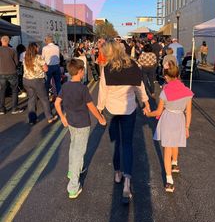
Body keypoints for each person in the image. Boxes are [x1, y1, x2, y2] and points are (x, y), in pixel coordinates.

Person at [97, 41, 150, 204]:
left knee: (117, 142)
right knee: (127, 143)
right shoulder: (133, 66)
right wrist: (145, 102)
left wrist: (100, 109)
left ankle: (118, 172)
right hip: (129, 109)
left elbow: (103, 90)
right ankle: (127, 181)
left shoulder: (107, 68)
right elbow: (139, 87)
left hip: (112, 110)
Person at [55, 59, 106, 199]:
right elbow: (91, 107)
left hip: (71, 122)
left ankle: (72, 170)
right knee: (79, 151)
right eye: (83, 70)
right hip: (83, 124)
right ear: (80, 71)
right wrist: (101, 119)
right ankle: (73, 187)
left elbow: (57, 102)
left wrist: (62, 117)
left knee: (73, 146)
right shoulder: (83, 88)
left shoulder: (65, 86)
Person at [144, 61, 193, 193]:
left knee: (167, 150)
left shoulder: (165, 93)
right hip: (180, 120)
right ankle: (175, 163)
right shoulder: (187, 91)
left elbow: (159, 112)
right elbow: (188, 112)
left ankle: (169, 180)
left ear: (167, 77)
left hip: (168, 119)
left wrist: (148, 114)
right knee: (175, 143)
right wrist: (187, 127)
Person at [23, 43, 57, 125]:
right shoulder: (38, 57)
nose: (39, 49)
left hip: (26, 80)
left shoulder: (26, 58)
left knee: (31, 99)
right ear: (35, 48)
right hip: (37, 81)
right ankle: (49, 117)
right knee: (44, 99)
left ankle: (32, 120)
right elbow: (46, 69)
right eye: (38, 47)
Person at [0, 35, 24, 115]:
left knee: (2, 91)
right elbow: (17, 63)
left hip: (1, 73)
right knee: (14, 90)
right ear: (8, 41)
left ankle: (2, 109)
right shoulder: (12, 50)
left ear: (1, 41)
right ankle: (14, 108)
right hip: (12, 72)